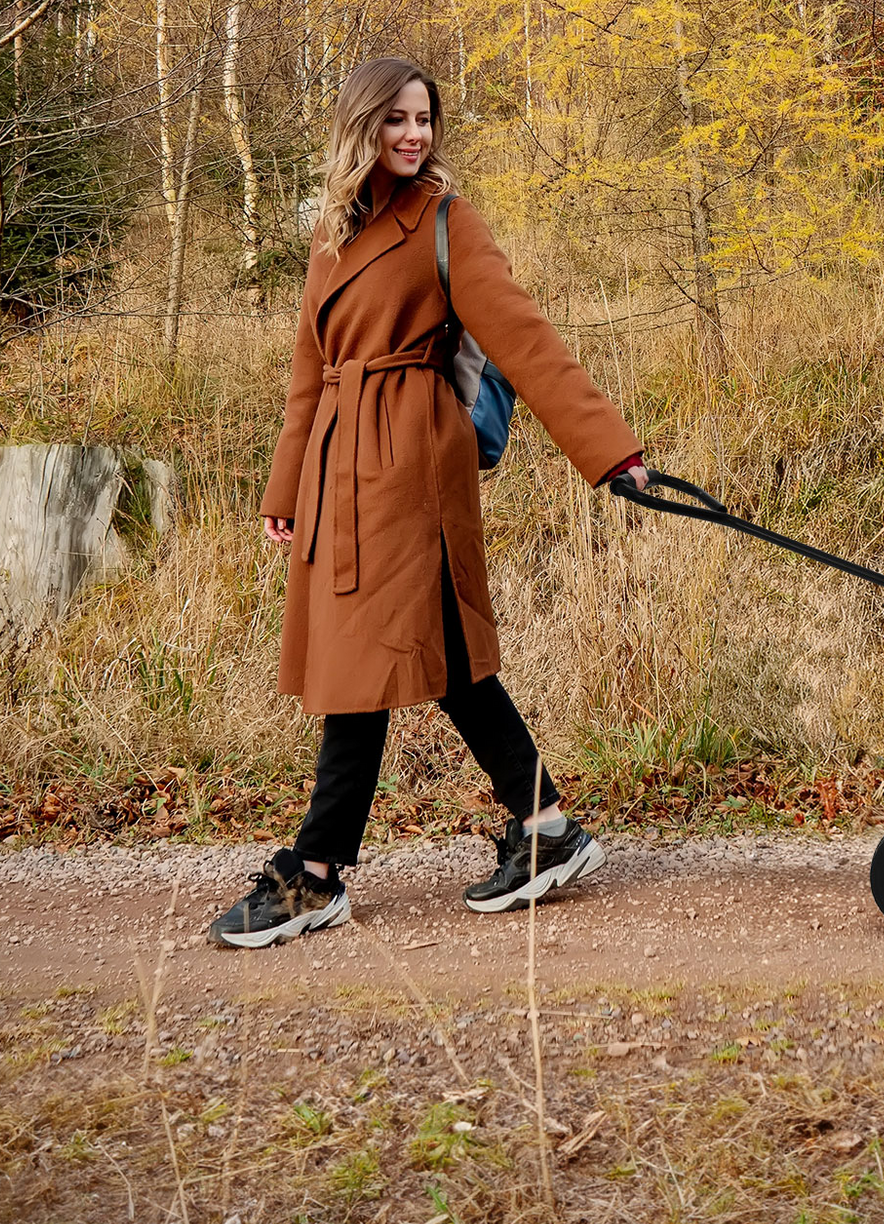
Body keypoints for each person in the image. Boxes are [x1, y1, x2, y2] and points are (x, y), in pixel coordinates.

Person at [207, 56, 647, 949]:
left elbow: (525, 341)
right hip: (340, 469)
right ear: (361, 127)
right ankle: (545, 828)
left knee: (363, 667)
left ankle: (318, 872)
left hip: (411, 464)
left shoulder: (447, 222)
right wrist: (285, 483)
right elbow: (306, 377)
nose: (414, 135)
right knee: (440, 655)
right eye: (397, 120)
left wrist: (607, 450)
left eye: (424, 120)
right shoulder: (331, 237)